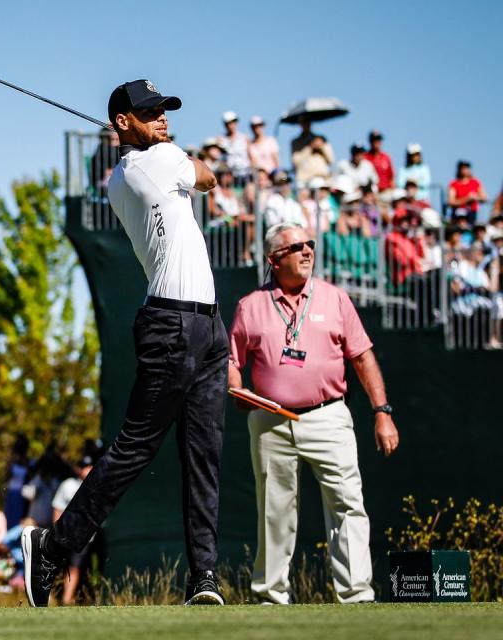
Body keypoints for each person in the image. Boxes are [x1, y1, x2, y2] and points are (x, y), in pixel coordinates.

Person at [22, 78, 227, 608]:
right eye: (150, 112)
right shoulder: (156, 162)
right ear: (123, 122)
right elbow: (208, 177)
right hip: (173, 322)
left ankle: (203, 577)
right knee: (135, 449)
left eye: (163, 110)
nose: (162, 118)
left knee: (203, 454)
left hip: (205, 324)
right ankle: (53, 546)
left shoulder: (129, 171)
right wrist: (176, 153)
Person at [228, 222, 400, 605]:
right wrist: (238, 390)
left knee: (347, 503)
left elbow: (362, 356)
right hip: (271, 420)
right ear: (274, 260)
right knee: (275, 512)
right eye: (296, 247)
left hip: (328, 416)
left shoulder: (335, 299)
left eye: (310, 244)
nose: (307, 251)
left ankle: (356, 595)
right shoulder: (250, 306)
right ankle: (271, 597)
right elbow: (232, 360)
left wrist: (382, 411)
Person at [51, 454, 97, 606]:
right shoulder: (68, 485)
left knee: (75, 567)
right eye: (85, 467)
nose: (88, 470)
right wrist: (56, 531)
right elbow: (57, 509)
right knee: (59, 567)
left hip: (85, 537)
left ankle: (67, 599)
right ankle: (53, 597)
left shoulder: (96, 486)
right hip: (65, 534)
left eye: (90, 466)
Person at [448, 160, 488, 227]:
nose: (465, 170)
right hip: (457, 214)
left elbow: (484, 197)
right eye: (463, 168)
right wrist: (467, 199)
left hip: (472, 213)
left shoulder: (475, 182)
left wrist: (475, 197)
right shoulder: (454, 184)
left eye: (467, 168)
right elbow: (451, 201)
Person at [219, 111, 251, 185]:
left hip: (245, 174)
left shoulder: (244, 138)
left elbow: (250, 156)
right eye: (228, 123)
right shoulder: (221, 140)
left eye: (233, 122)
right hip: (229, 177)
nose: (231, 125)